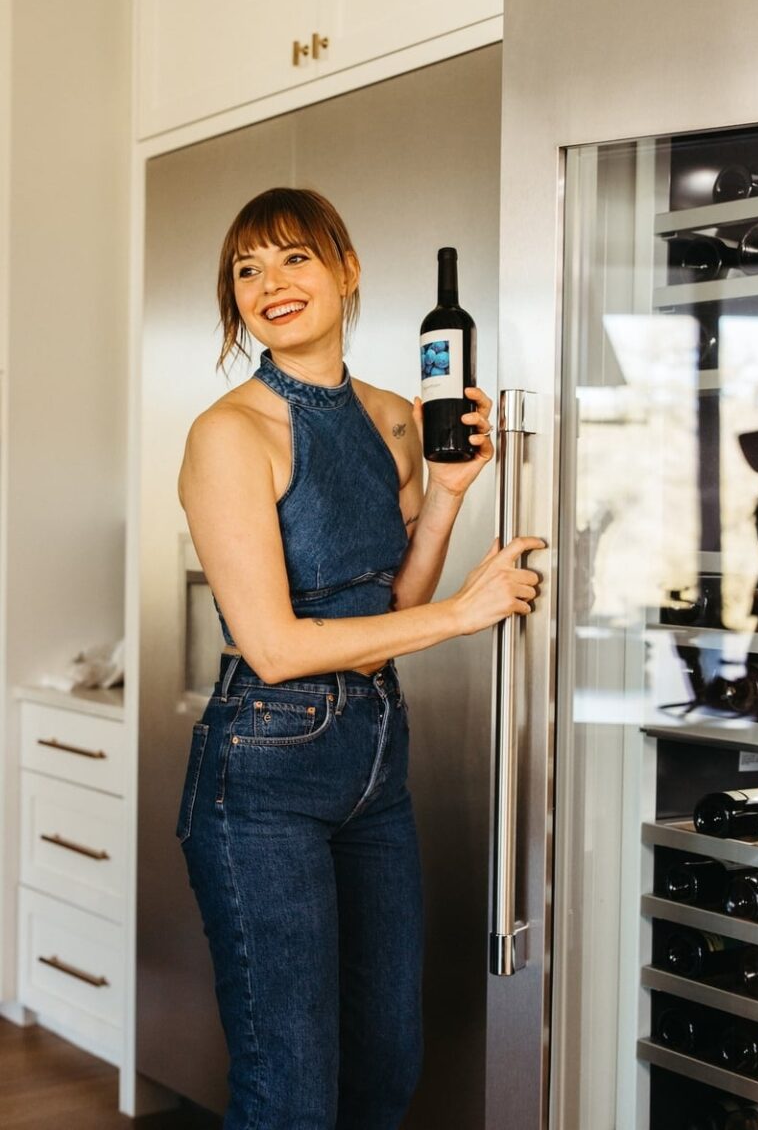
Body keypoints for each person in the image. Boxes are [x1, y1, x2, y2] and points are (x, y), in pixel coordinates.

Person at [176, 186, 543, 1130]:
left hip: (376, 762)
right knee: (290, 1088)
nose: (269, 283)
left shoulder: (392, 417)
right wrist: (467, 617)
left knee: (385, 1067)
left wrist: (452, 493)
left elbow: (394, 605)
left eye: (294, 257)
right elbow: (275, 646)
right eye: (246, 269)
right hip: (263, 771)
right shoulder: (231, 434)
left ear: (347, 271)